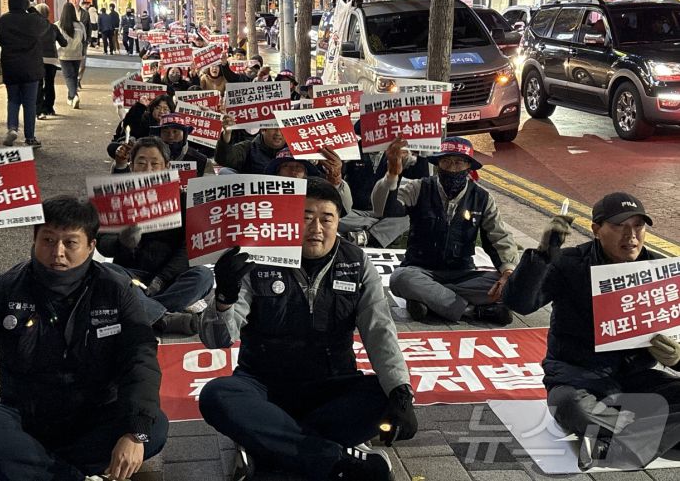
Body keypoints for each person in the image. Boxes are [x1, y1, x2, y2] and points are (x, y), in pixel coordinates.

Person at [0, 196, 168, 480]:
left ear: (91, 245)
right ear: (34, 240)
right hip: (27, 420)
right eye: (48, 240)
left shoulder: (115, 289)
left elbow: (140, 358)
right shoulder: (10, 286)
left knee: (152, 428)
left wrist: (133, 433)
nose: (57, 252)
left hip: (94, 416)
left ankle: (34, 467)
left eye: (70, 242)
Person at [198, 178, 417, 481]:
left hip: (331, 388)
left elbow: (380, 330)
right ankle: (337, 459)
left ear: (339, 222)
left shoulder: (356, 262)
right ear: (287, 221)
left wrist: (401, 390)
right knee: (216, 395)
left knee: (383, 395)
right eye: (305, 217)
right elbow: (216, 339)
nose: (315, 227)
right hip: (264, 387)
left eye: (326, 218)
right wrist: (223, 298)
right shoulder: (256, 259)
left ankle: (273, 449)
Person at [503, 193, 680, 471]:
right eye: (619, 226)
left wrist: (677, 358)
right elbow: (519, 304)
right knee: (571, 406)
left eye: (638, 226)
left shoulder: (659, 272)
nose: (631, 235)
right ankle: (649, 436)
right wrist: (542, 256)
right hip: (578, 379)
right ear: (596, 229)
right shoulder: (569, 263)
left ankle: (612, 444)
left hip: (637, 380)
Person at [372, 136, 519, 325]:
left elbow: (499, 237)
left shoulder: (482, 198)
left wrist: (508, 272)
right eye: (446, 162)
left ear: (469, 167)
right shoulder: (419, 188)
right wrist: (392, 175)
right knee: (400, 278)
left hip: (462, 275)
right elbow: (382, 208)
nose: (452, 168)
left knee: (510, 286)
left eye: (459, 163)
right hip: (420, 270)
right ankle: (471, 310)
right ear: (437, 164)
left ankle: (430, 300)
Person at [98, 137, 213, 335]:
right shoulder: (118, 199)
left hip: (169, 279)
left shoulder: (183, 200)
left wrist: (161, 278)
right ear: (132, 166)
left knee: (203, 276)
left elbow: (189, 248)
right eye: (141, 163)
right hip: (130, 275)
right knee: (104, 272)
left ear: (167, 166)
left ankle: (139, 310)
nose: (148, 169)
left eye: (155, 163)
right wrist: (121, 241)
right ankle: (163, 319)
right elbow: (102, 243)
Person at [0, 0, 49, 149]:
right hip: (30, 67)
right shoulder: (32, 20)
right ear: (25, 3)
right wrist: (32, 9)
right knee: (29, 103)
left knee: (13, 100)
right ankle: (30, 137)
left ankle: (12, 128)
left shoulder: (4, 20)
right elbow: (45, 25)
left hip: (11, 66)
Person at [266, 147, 353, 212]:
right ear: (277, 173)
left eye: (299, 166)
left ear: (306, 174)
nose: (293, 170)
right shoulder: (264, 192)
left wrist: (336, 180)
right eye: (286, 166)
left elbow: (345, 210)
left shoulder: (317, 192)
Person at [216, 118, 286, 174]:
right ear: (263, 130)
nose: (278, 133)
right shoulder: (248, 148)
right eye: (273, 128)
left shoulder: (294, 151)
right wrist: (227, 134)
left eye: (282, 128)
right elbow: (225, 159)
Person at [35, 3, 67, 119]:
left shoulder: (33, 27)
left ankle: (39, 110)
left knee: (38, 84)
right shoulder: (53, 27)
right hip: (52, 60)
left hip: (37, 59)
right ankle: (49, 108)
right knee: (49, 83)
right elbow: (64, 43)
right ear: (48, 14)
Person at [56, 2, 87, 109]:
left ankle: (74, 96)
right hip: (77, 54)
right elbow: (84, 39)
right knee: (73, 75)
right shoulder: (80, 25)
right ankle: (70, 97)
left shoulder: (58, 25)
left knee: (68, 76)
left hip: (64, 54)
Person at [69, 0, 91, 88]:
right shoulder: (67, 12)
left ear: (79, 0)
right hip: (70, 41)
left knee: (82, 62)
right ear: (70, 0)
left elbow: (88, 27)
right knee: (71, 61)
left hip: (82, 41)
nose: (75, 1)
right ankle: (73, 80)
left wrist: (88, 39)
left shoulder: (85, 13)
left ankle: (78, 79)